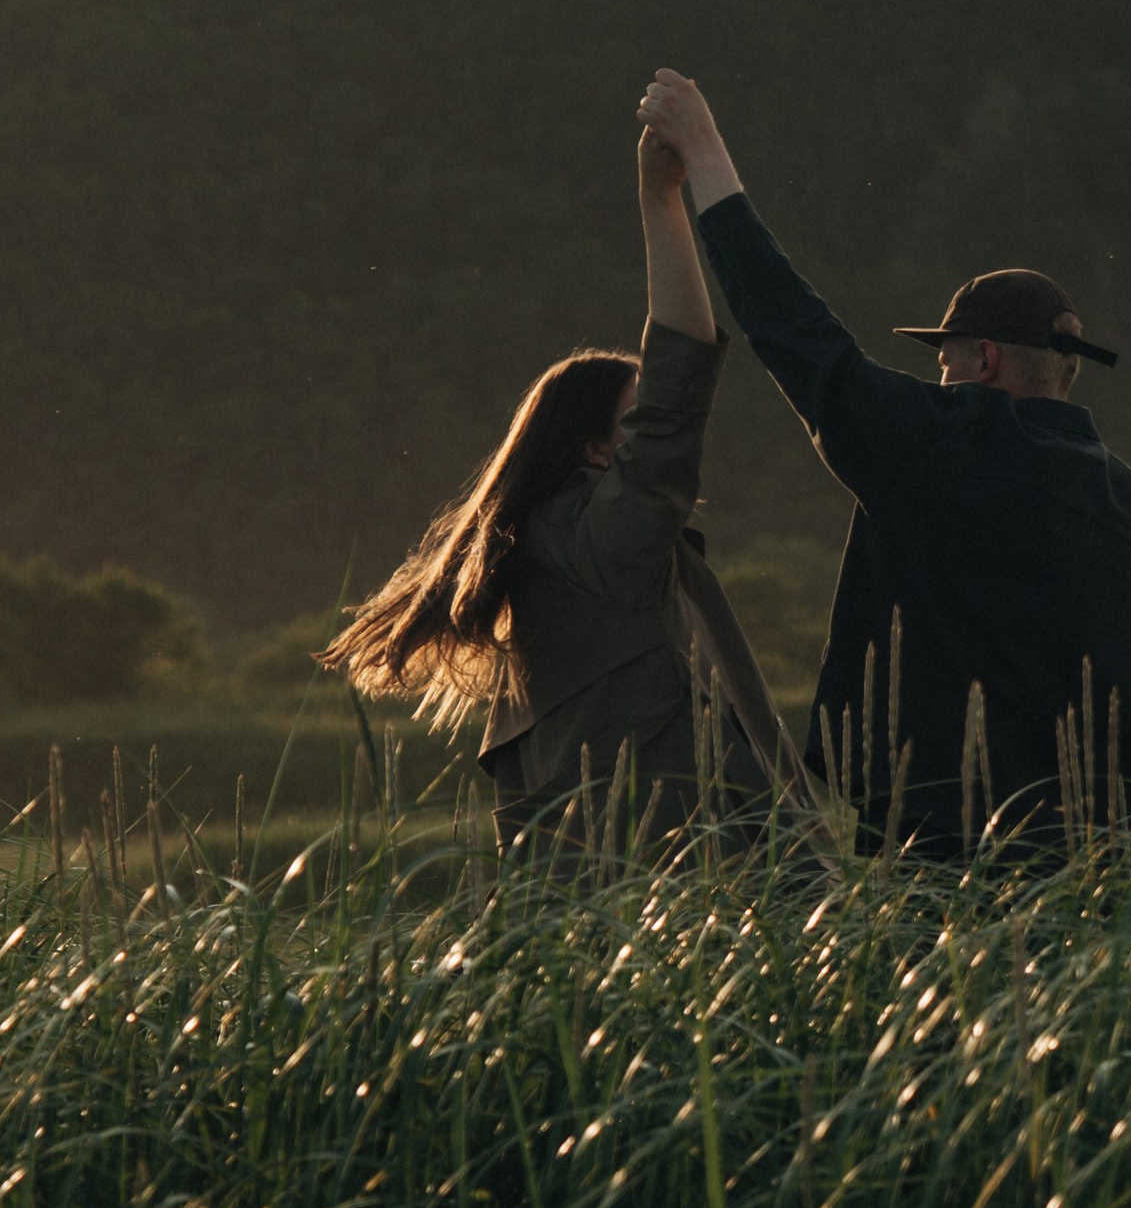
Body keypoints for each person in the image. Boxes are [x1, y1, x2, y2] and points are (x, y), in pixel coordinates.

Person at [635, 66, 1131, 856]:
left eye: (943, 365)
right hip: (1101, 892)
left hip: (942, 867)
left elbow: (800, 338)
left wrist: (704, 158)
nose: (935, 382)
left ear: (983, 366)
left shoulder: (950, 448)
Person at [322, 129, 795, 844]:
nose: (655, 441)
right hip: (704, 894)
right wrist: (660, 200)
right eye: (634, 425)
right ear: (596, 451)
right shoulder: (606, 545)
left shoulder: (553, 563)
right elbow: (682, 374)